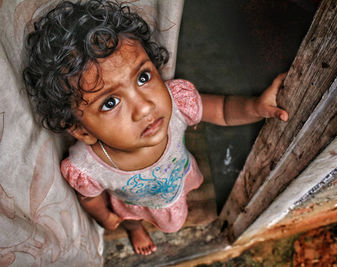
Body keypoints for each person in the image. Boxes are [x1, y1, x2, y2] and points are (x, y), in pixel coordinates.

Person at [23, 0, 288, 256]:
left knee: (181, 195)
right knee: (130, 218)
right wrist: (105, 217)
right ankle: (135, 230)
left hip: (176, 180)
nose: (146, 108)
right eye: (111, 102)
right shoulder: (87, 166)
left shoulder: (177, 104)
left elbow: (223, 110)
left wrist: (255, 107)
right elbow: (90, 199)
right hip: (132, 205)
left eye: (143, 77)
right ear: (83, 131)